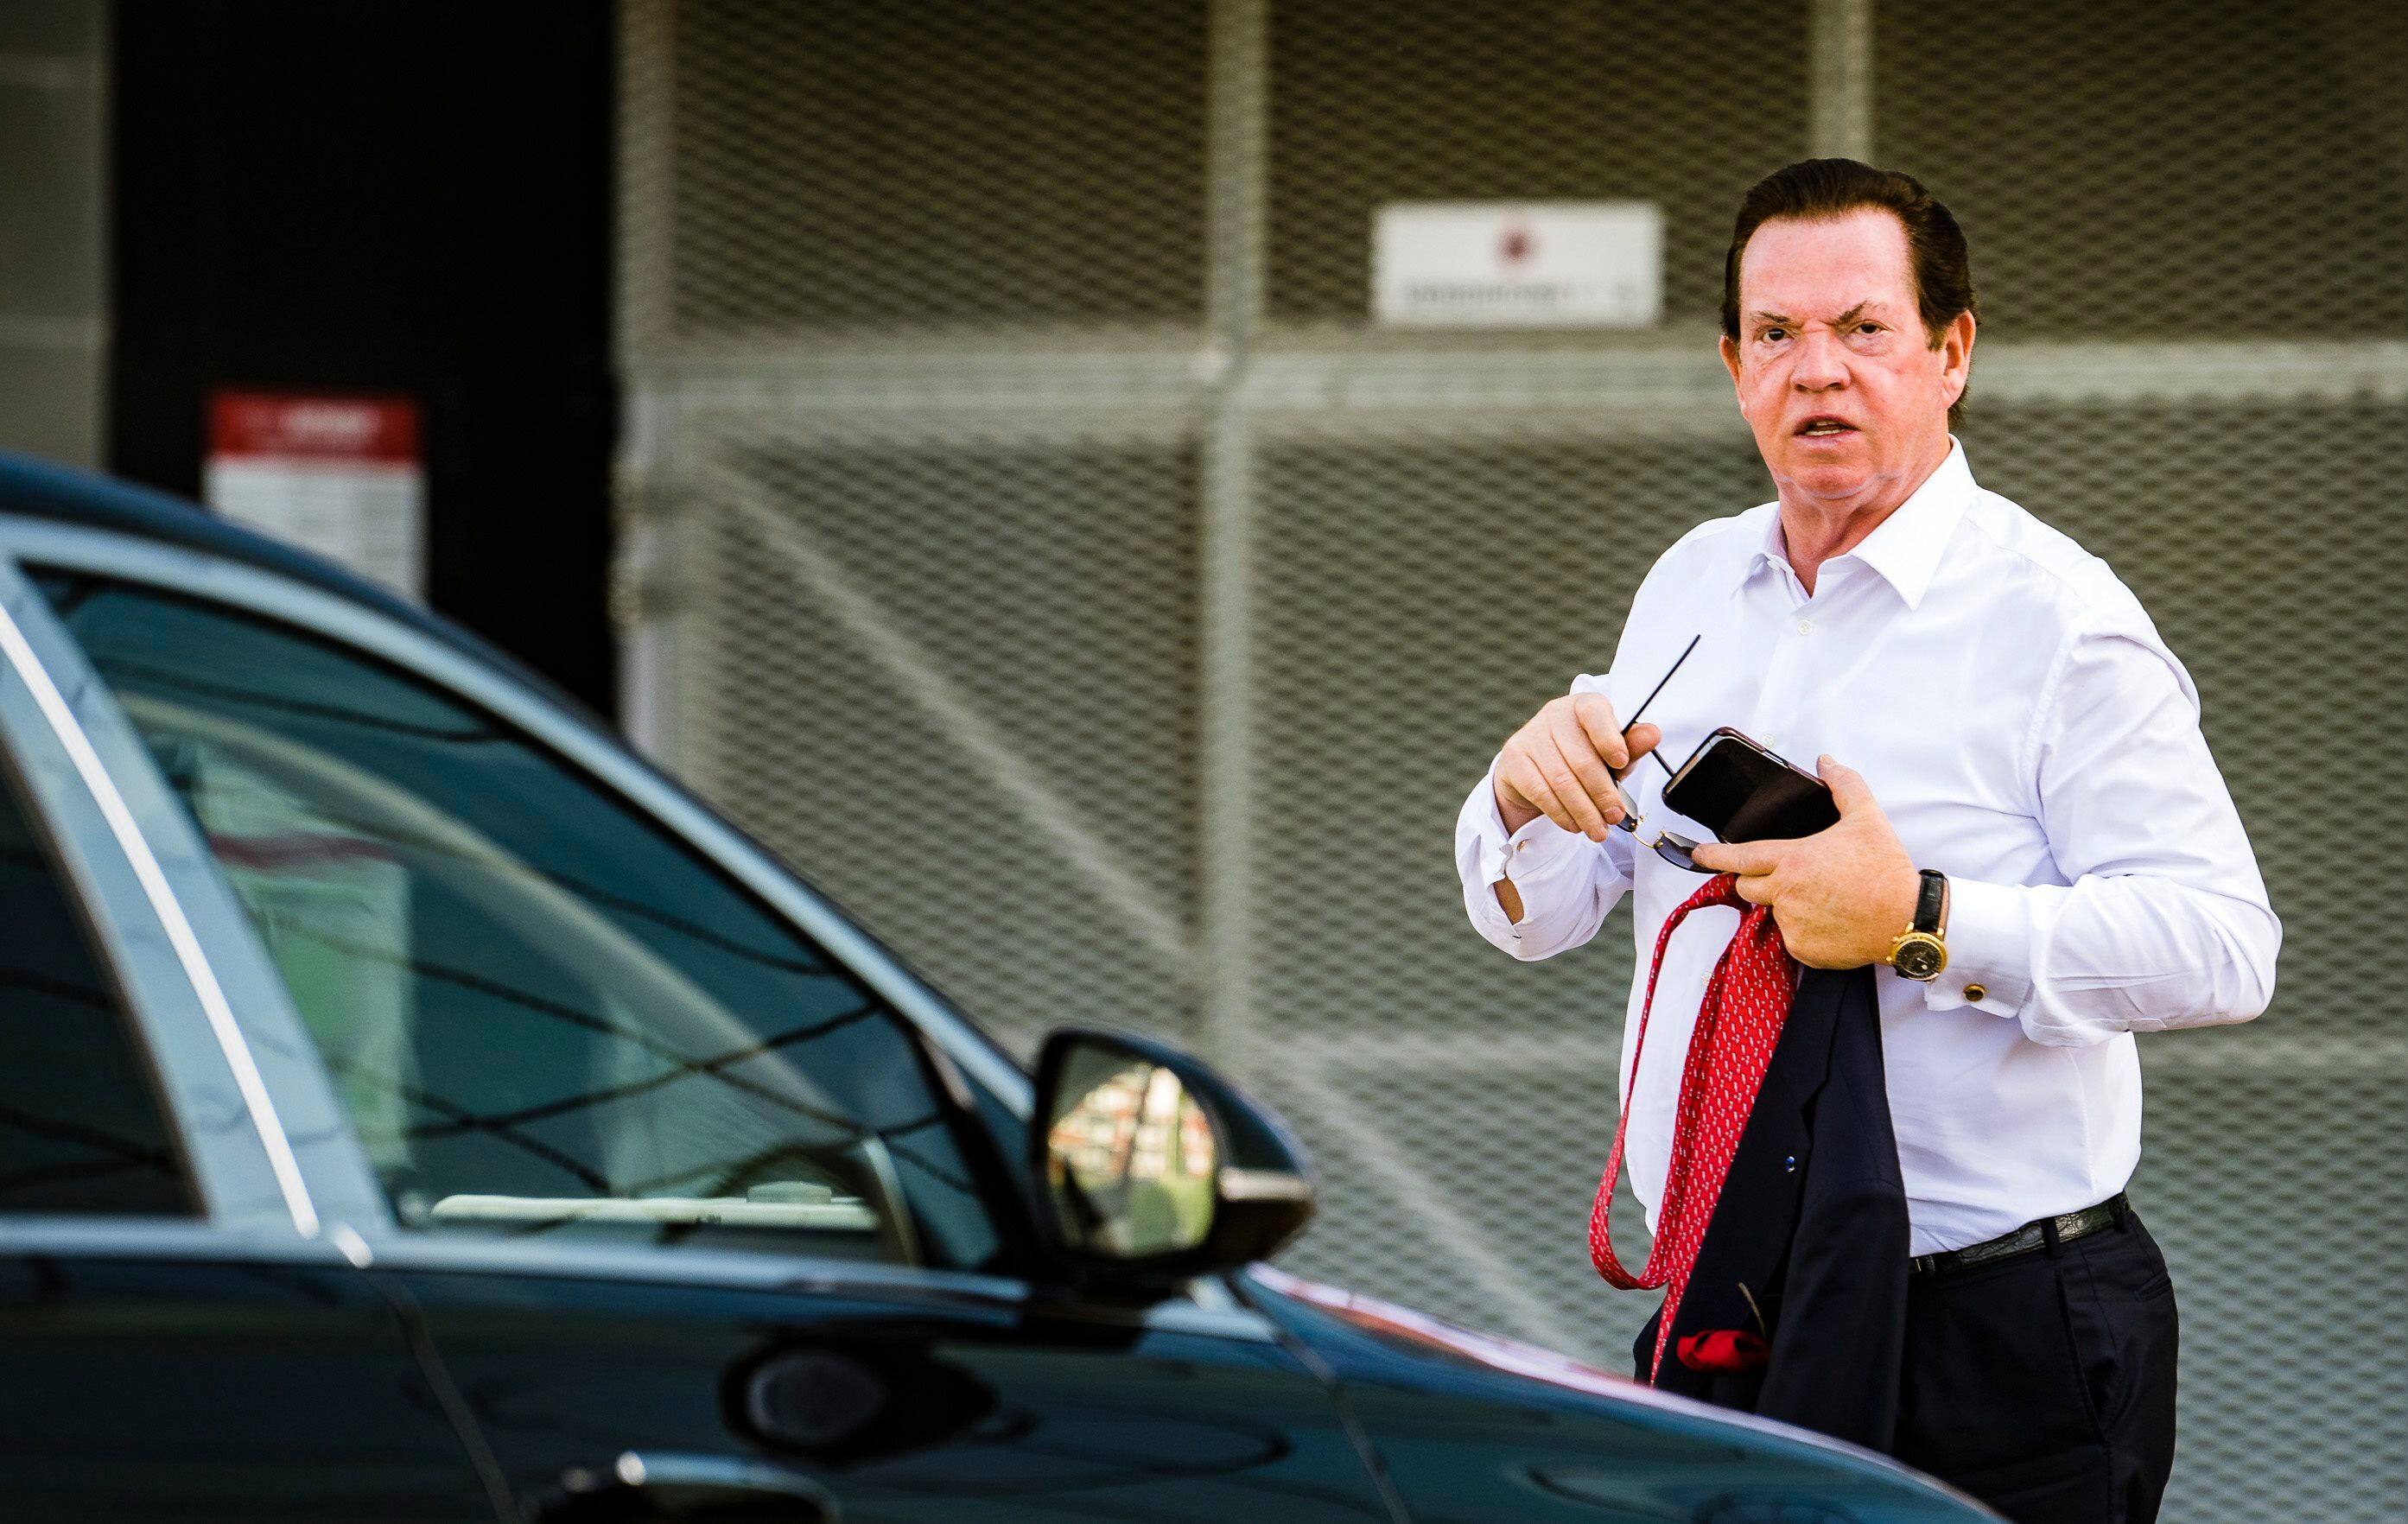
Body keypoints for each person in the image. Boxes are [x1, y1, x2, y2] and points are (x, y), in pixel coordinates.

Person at [1452, 159, 2278, 1524]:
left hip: (1993, 1335)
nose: (1817, 369)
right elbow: (1540, 916)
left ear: (1952, 353)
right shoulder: (1693, 583)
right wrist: (1518, 801)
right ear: (1734, 367)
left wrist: (1922, 918)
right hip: (1726, 1309)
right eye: (1776, 333)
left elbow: (2224, 947)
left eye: (1863, 328)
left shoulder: (2058, 620)